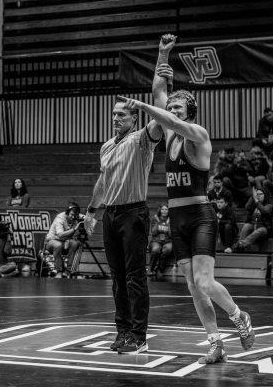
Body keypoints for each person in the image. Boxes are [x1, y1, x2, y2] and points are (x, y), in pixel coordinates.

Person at [115, 33, 255, 364]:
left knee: (206, 282)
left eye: (177, 108)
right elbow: (158, 92)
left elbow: (166, 114)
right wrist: (163, 52)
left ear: (188, 113)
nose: (169, 111)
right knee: (192, 286)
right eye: (170, 107)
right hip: (177, 219)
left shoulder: (198, 135)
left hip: (201, 215)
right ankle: (215, 341)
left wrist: (148, 107)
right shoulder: (170, 134)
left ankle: (239, 317)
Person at [83, 93, 163, 355]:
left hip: (133, 213)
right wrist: (92, 211)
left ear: (134, 118)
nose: (116, 118)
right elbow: (103, 182)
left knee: (135, 277)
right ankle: (123, 331)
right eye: (114, 115)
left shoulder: (141, 140)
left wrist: (161, 62)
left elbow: (161, 114)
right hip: (111, 214)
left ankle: (139, 335)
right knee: (117, 278)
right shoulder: (106, 146)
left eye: (122, 115)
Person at [44, 202, 83, 278]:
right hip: (52, 241)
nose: (73, 217)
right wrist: (74, 229)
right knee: (58, 245)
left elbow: (89, 219)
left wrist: (87, 220)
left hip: (65, 242)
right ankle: (59, 270)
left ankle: (68, 271)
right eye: (71, 215)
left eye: (75, 215)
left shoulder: (75, 216)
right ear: (66, 213)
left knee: (75, 243)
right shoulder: (60, 218)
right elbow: (60, 235)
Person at [233, 188, 273, 252]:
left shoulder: (269, 206)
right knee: (247, 226)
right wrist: (252, 196)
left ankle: (241, 244)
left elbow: (264, 211)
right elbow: (247, 207)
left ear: (265, 195)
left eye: (261, 194)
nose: (258, 195)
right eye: (257, 194)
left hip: (264, 229)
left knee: (260, 230)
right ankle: (240, 246)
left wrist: (257, 201)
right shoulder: (254, 205)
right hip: (253, 226)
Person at [147, 204, 172, 277]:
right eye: (162, 209)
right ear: (160, 210)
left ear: (168, 211)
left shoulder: (171, 219)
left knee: (167, 249)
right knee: (156, 249)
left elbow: (171, 235)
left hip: (168, 241)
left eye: (166, 209)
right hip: (156, 241)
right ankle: (151, 268)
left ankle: (160, 269)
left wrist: (169, 224)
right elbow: (154, 232)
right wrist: (158, 223)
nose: (164, 211)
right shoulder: (155, 218)